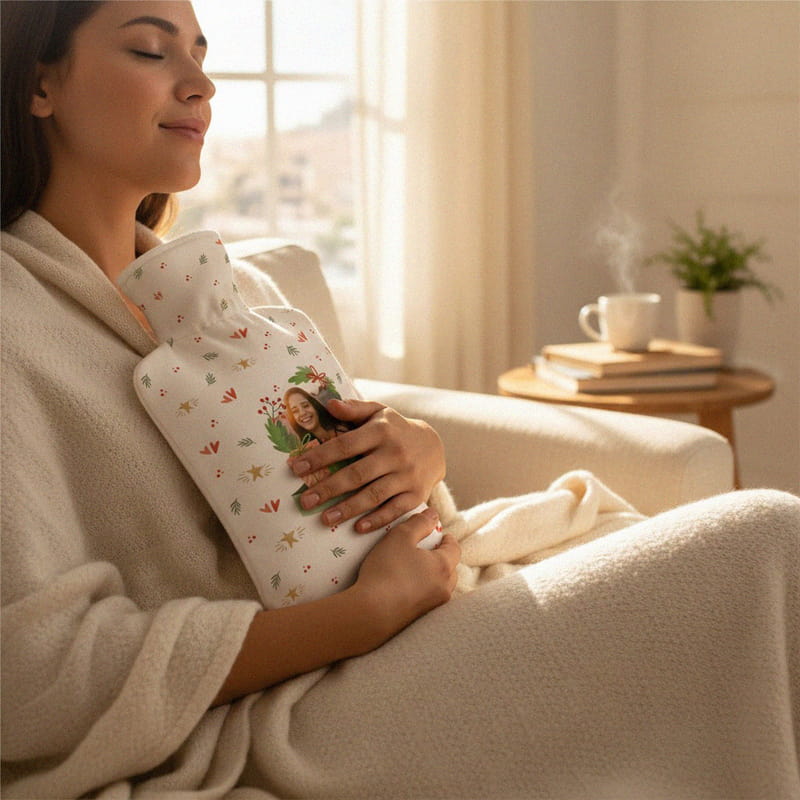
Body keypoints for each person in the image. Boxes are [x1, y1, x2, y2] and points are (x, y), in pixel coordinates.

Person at [2, 3, 798, 798]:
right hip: (282, 705)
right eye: (150, 50)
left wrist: (419, 456)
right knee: (764, 538)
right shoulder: (15, 325)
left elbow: (346, 512)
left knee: (756, 550)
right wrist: (360, 617)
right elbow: (31, 675)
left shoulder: (237, 295)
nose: (201, 83)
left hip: (408, 621)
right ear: (41, 82)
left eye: (202, 53)